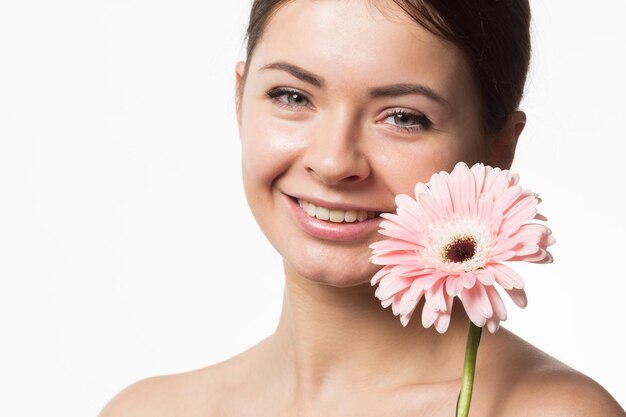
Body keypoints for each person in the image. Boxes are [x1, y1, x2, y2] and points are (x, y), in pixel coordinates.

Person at [99, 0, 625, 415]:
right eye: (293, 96)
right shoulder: (145, 410)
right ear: (240, 99)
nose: (333, 162)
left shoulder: (550, 411)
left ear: (498, 149)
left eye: (403, 117)